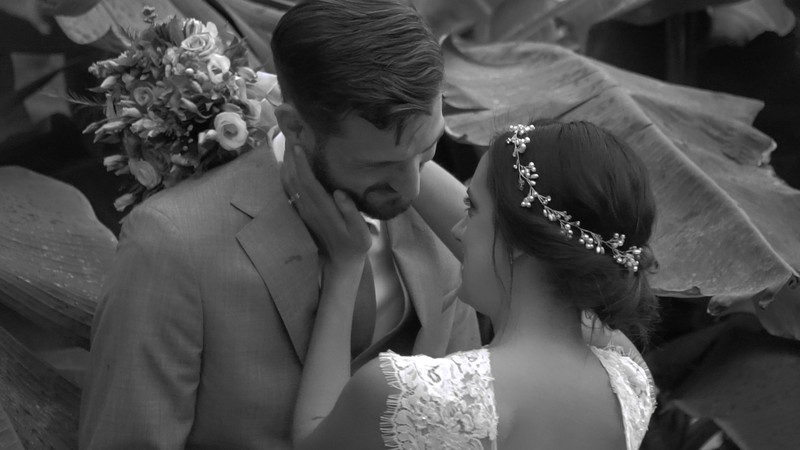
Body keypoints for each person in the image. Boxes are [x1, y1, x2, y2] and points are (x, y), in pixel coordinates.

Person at [78, 1, 482, 448]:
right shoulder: (175, 242)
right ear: (296, 127)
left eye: (426, 150)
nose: (410, 188)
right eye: (378, 164)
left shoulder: (445, 222)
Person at [284, 119, 660, 449]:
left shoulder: (410, 394)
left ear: (521, 241)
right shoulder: (629, 381)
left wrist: (345, 264)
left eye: (471, 208)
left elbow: (311, 437)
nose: (457, 230)